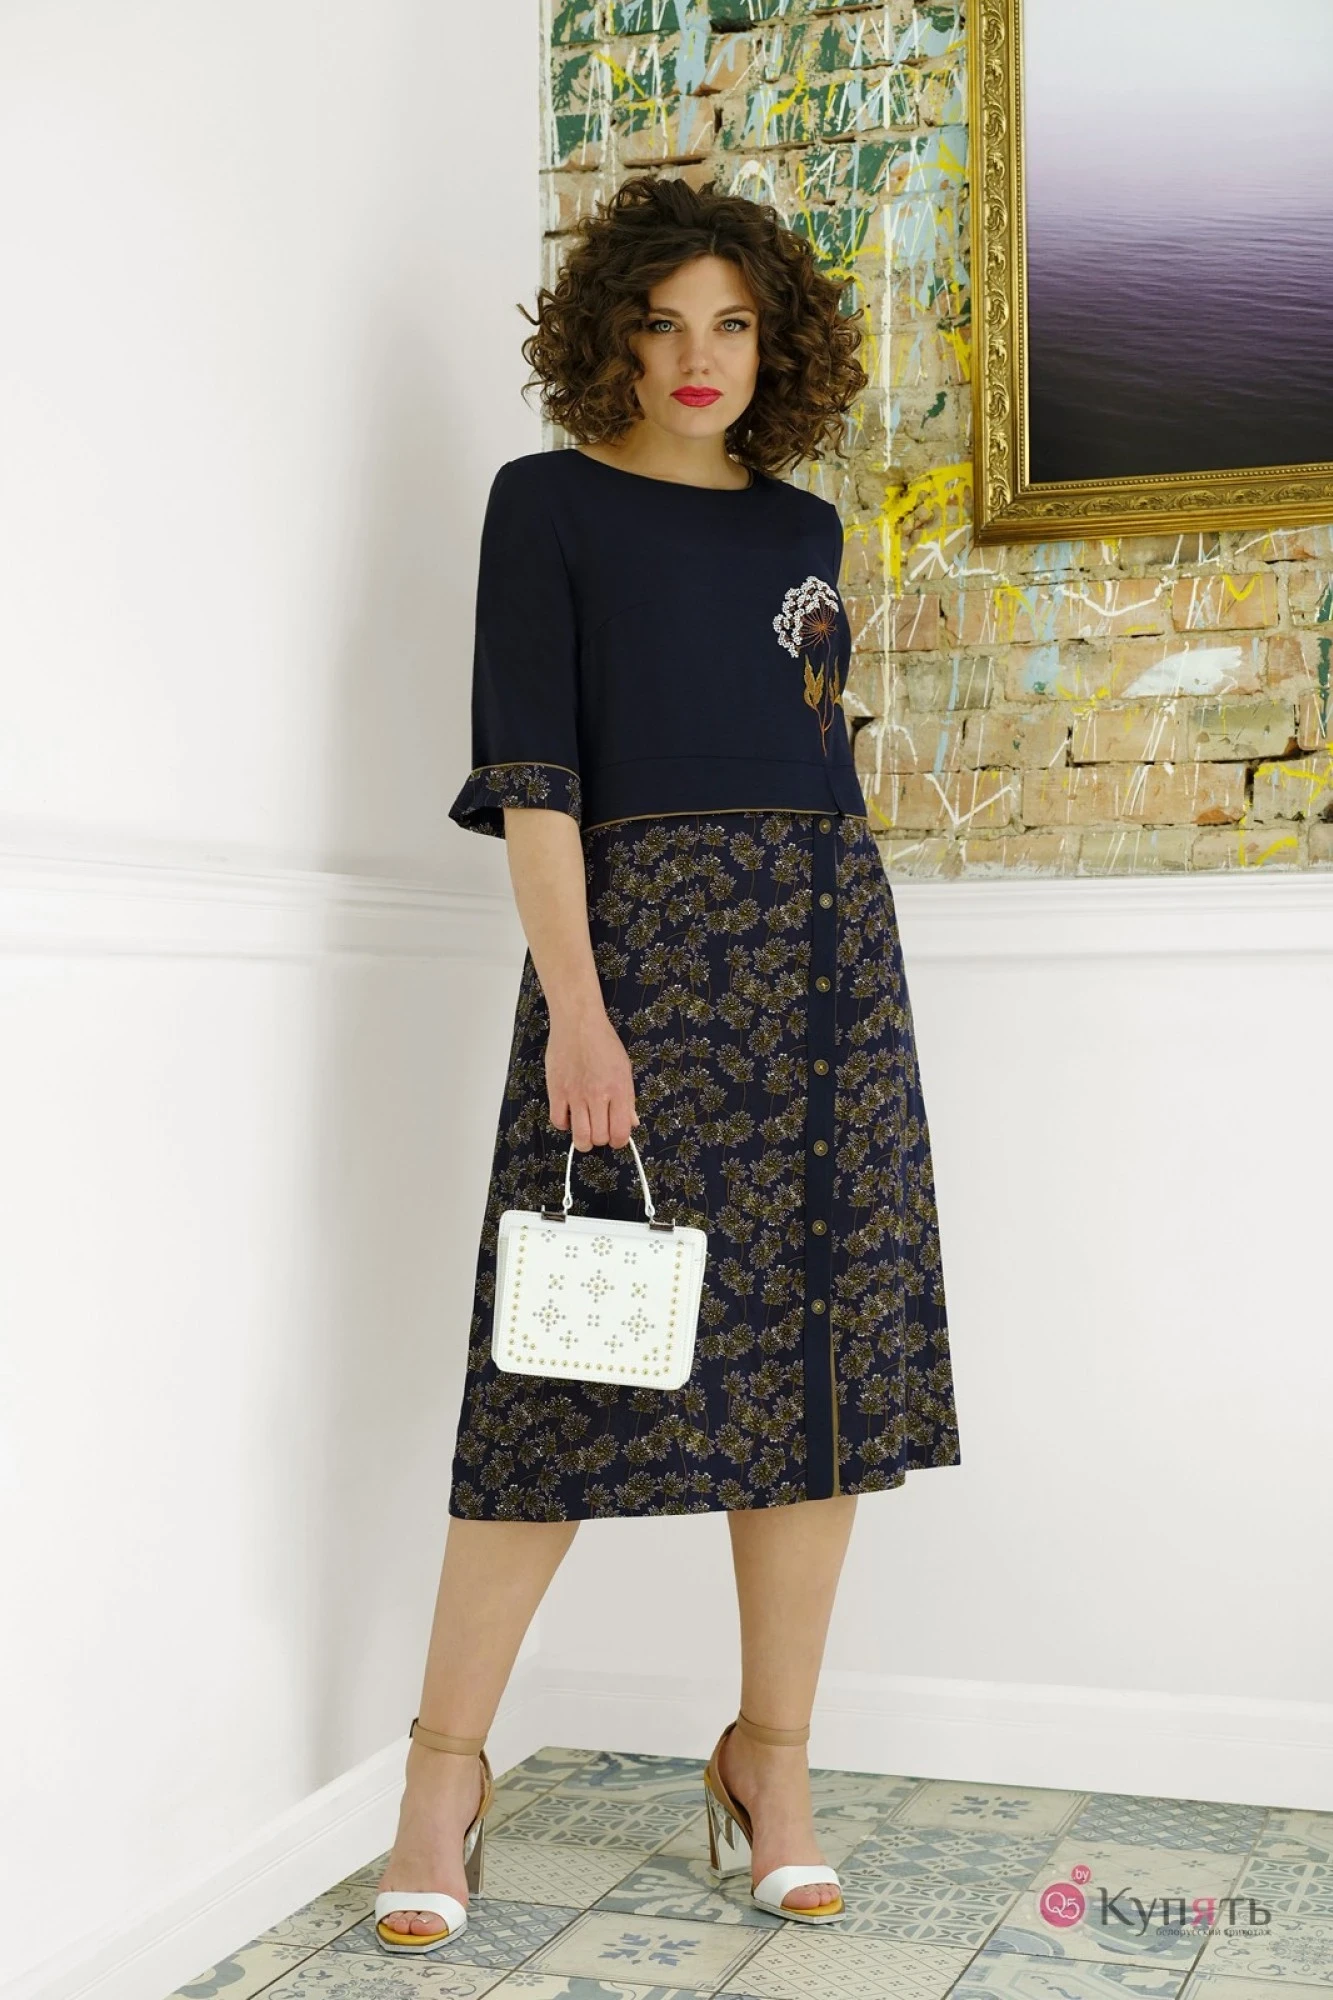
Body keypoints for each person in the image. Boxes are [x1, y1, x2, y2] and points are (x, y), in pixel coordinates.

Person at [374, 173, 962, 1956]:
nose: (700, 356)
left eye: (733, 324)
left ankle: (771, 1763)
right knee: (553, 1385)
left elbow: (813, 765)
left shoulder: (805, 528)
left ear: (772, 346)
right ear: (611, 336)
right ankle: (440, 1779)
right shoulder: (544, 505)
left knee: (816, 1391)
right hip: (638, 980)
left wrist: (836, 962)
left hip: (825, 972)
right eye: (663, 321)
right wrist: (580, 1005)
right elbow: (536, 779)